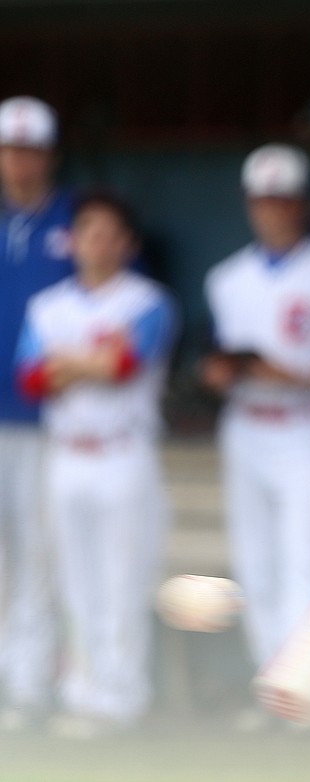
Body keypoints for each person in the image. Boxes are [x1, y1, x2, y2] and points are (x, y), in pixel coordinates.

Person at [200, 143, 310, 730]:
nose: (274, 210)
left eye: (284, 199)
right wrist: (220, 372)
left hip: (306, 425)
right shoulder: (227, 278)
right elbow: (218, 354)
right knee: (255, 564)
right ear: (249, 204)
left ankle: (302, 690)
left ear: (302, 203)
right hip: (246, 427)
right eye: (264, 201)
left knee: (303, 560)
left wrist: (288, 374)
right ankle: (272, 687)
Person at [14, 191, 177, 738]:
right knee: (74, 583)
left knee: (121, 580)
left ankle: (122, 695)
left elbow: (125, 364)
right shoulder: (48, 305)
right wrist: (91, 361)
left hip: (123, 450)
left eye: (110, 233)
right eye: (88, 232)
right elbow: (32, 380)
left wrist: (67, 360)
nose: (98, 243)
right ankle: (83, 693)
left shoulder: (147, 300)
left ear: (127, 243)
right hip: (68, 454)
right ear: (74, 240)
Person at [0, 95, 73, 732]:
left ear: (47, 154)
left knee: (35, 559)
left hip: (49, 419)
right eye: (10, 149)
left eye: (30, 150)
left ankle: (28, 687)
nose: (19, 161)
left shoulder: (78, 220)